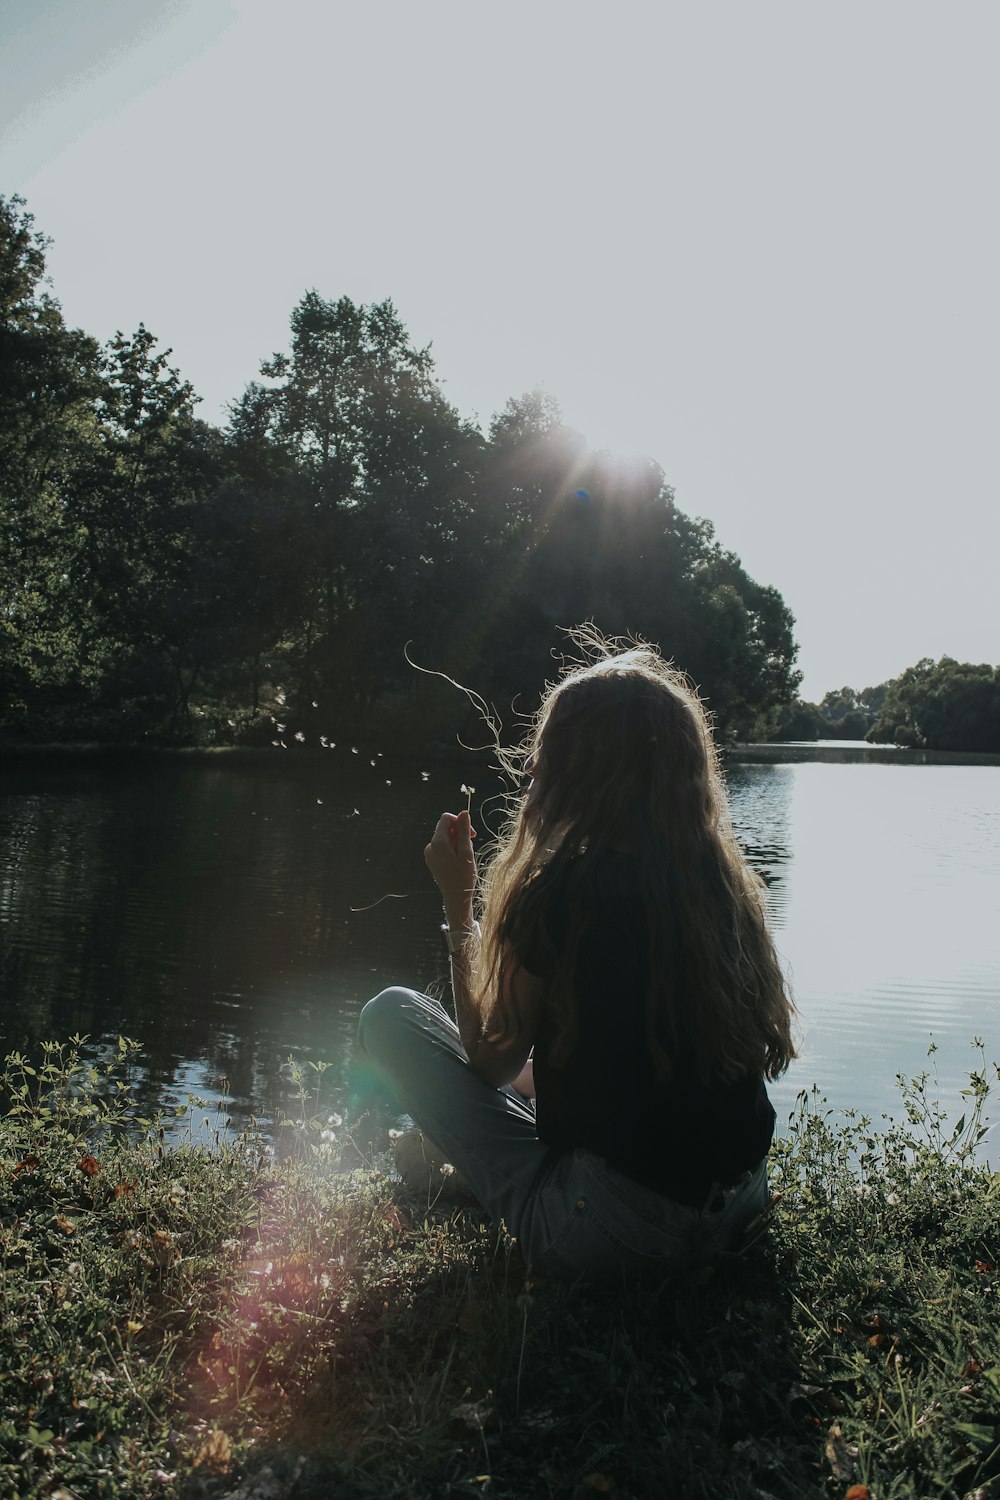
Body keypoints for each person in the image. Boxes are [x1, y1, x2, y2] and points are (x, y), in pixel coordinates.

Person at [358, 634, 796, 1284]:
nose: (532, 769)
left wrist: (459, 903)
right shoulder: (722, 887)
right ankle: (444, 1160)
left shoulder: (564, 893)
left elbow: (486, 1060)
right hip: (740, 1212)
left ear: (584, 773)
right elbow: (627, 1066)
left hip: (613, 1233)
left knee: (391, 1015)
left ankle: (448, 1165)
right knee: (533, 1081)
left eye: (548, 755)